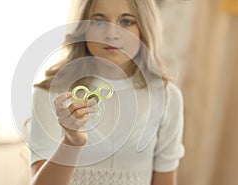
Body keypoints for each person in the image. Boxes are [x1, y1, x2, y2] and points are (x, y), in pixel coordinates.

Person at [29, 0, 185, 184]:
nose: (111, 34)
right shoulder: (51, 93)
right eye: (99, 21)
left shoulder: (167, 97)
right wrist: (71, 142)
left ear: (144, 28)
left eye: (126, 22)